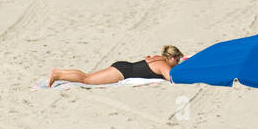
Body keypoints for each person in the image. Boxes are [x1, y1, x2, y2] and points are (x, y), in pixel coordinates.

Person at [48, 45, 184, 87]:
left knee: (88, 76)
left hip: (124, 66)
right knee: (86, 79)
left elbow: (147, 59)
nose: (177, 63)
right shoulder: (163, 64)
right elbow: (171, 79)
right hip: (123, 72)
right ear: (170, 58)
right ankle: (58, 74)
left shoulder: (157, 58)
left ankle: (60, 72)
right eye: (177, 60)